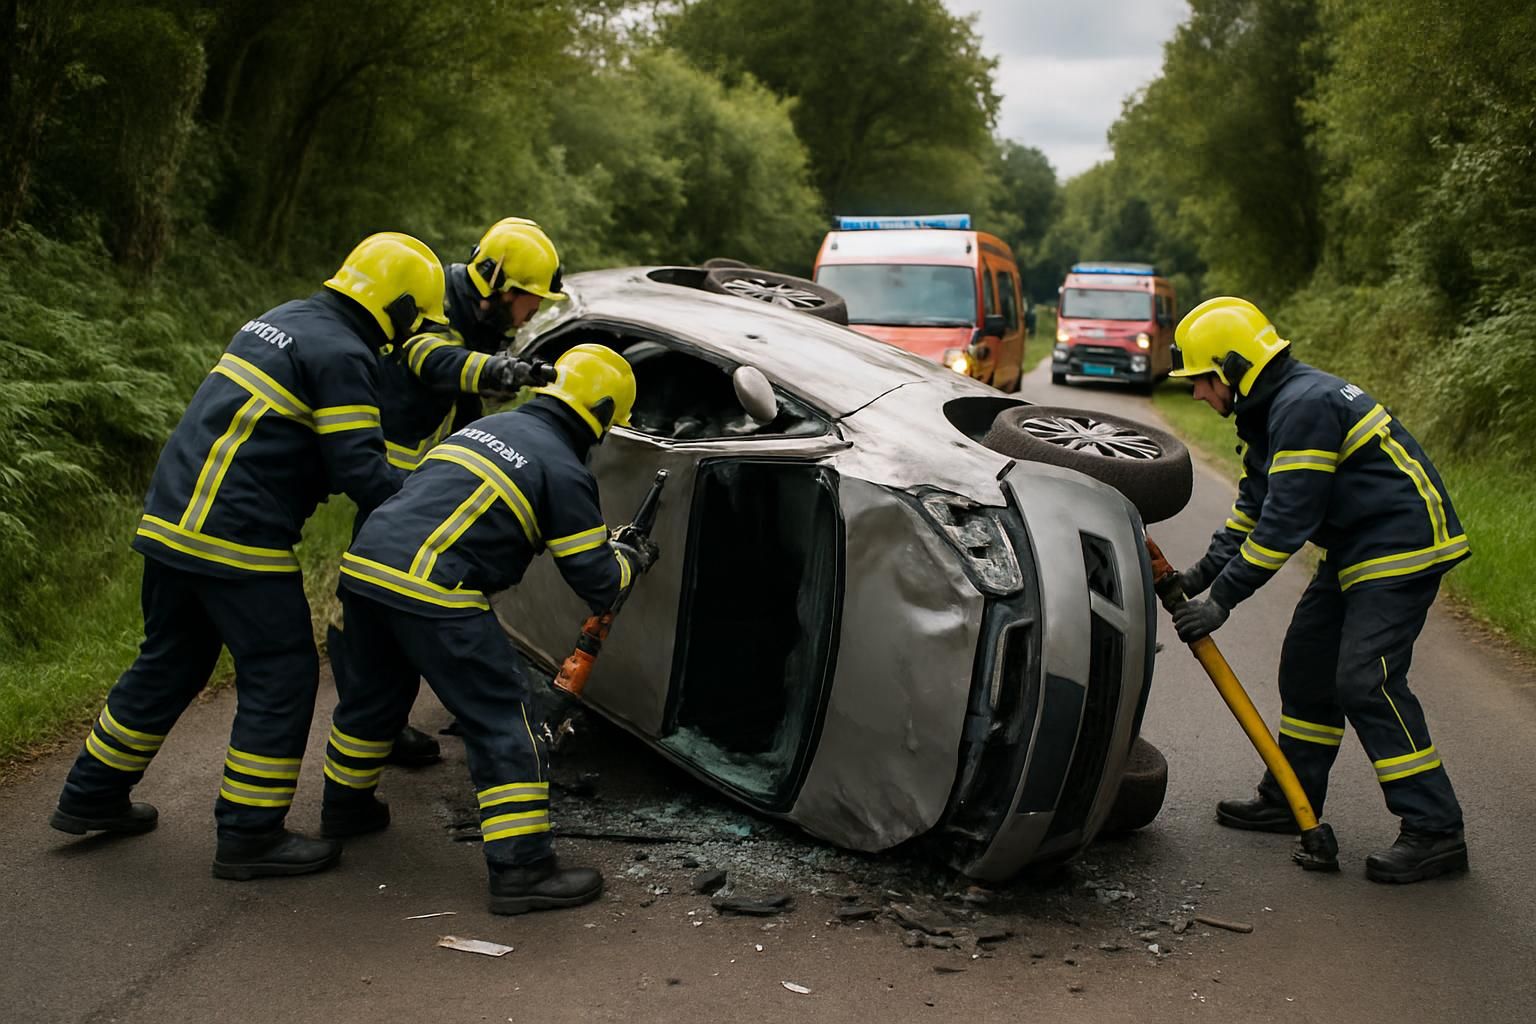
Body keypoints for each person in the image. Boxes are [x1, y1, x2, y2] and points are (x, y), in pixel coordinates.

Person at [50, 232, 448, 880]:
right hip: (237, 534)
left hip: (172, 516)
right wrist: (436, 497)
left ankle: (91, 793)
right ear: (399, 308)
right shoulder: (344, 352)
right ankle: (250, 834)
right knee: (284, 671)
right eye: (415, 321)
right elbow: (358, 467)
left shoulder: (282, 320)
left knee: (170, 660)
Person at [319, 344, 658, 914]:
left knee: (373, 698)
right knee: (507, 717)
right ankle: (522, 871)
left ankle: (345, 807)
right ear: (601, 413)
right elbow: (598, 580)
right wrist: (631, 556)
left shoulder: (487, 427)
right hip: (433, 589)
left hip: (366, 569)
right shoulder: (563, 468)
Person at [1168, 296, 1470, 884]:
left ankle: (1436, 830)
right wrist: (1196, 577)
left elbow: (1286, 524)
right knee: (1307, 666)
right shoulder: (1267, 413)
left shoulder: (1303, 406)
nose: (1198, 396)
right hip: (1358, 543)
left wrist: (1221, 600)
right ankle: (1292, 797)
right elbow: (1252, 512)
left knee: (1366, 678)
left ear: (1233, 369)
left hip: (1402, 540)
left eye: (1202, 382)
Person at [360, 218, 566, 768]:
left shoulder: (479, 314)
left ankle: (382, 722)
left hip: (419, 480)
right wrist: (500, 370)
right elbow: (434, 360)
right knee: (385, 610)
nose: (530, 314)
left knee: (397, 606)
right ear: (498, 285)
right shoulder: (440, 305)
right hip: (391, 479)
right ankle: (373, 726)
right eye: (529, 301)